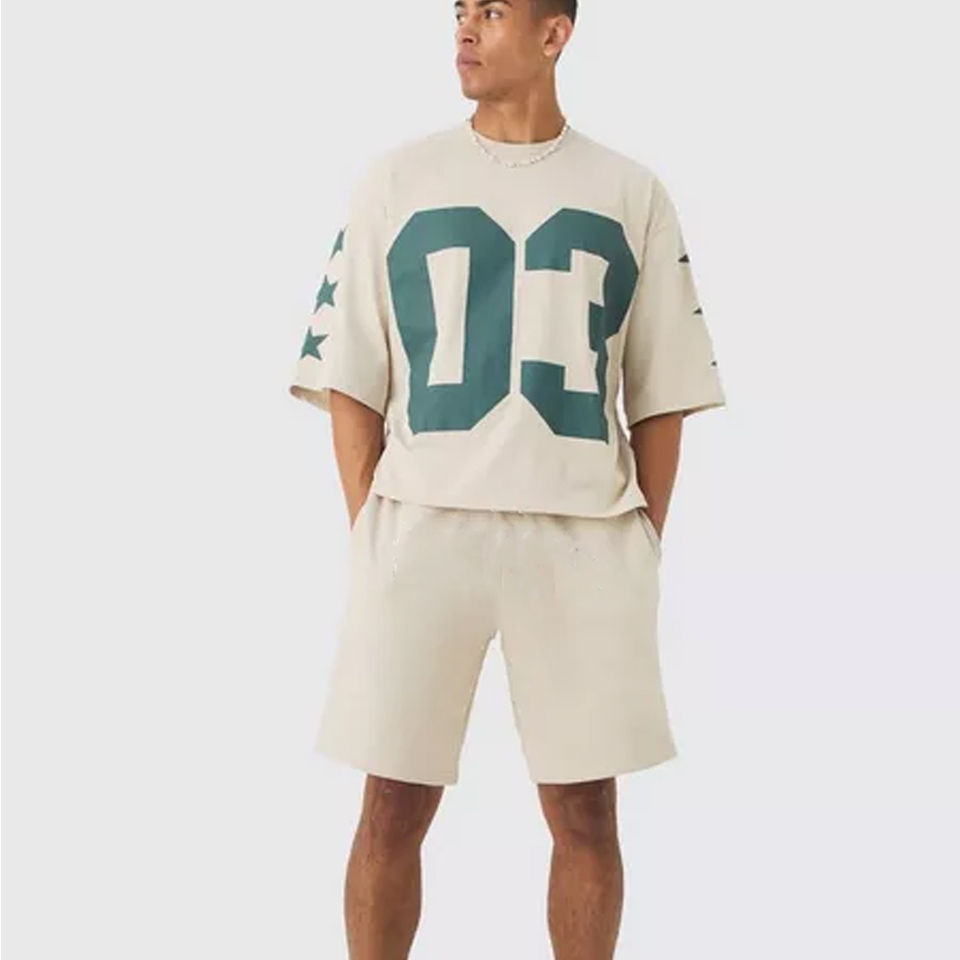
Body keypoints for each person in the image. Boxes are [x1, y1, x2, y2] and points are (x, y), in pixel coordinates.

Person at [288, 1, 726, 956]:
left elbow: (661, 390)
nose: (466, 29)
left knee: (585, 812)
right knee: (391, 804)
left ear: (555, 34)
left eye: (492, 10)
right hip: (423, 527)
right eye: (460, 11)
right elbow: (351, 373)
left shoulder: (631, 190)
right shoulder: (395, 179)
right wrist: (372, 525)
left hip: (583, 535)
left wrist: (642, 537)